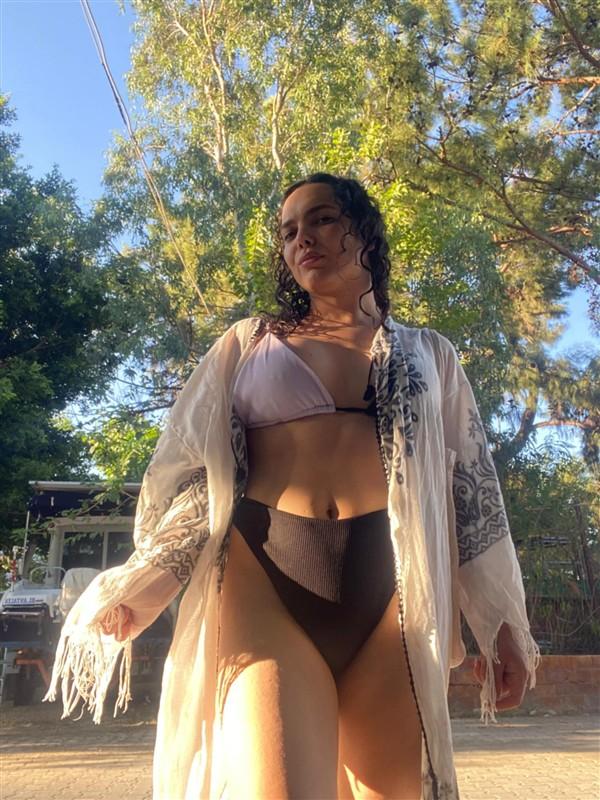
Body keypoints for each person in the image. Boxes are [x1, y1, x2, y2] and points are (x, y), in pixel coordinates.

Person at [45, 173, 539, 800]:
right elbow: (192, 472)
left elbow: (471, 489)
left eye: (322, 219)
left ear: (364, 232)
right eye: (288, 231)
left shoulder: (429, 353)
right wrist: (146, 578)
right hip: (265, 581)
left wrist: (501, 625)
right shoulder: (247, 344)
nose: (302, 238)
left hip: (396, 592)